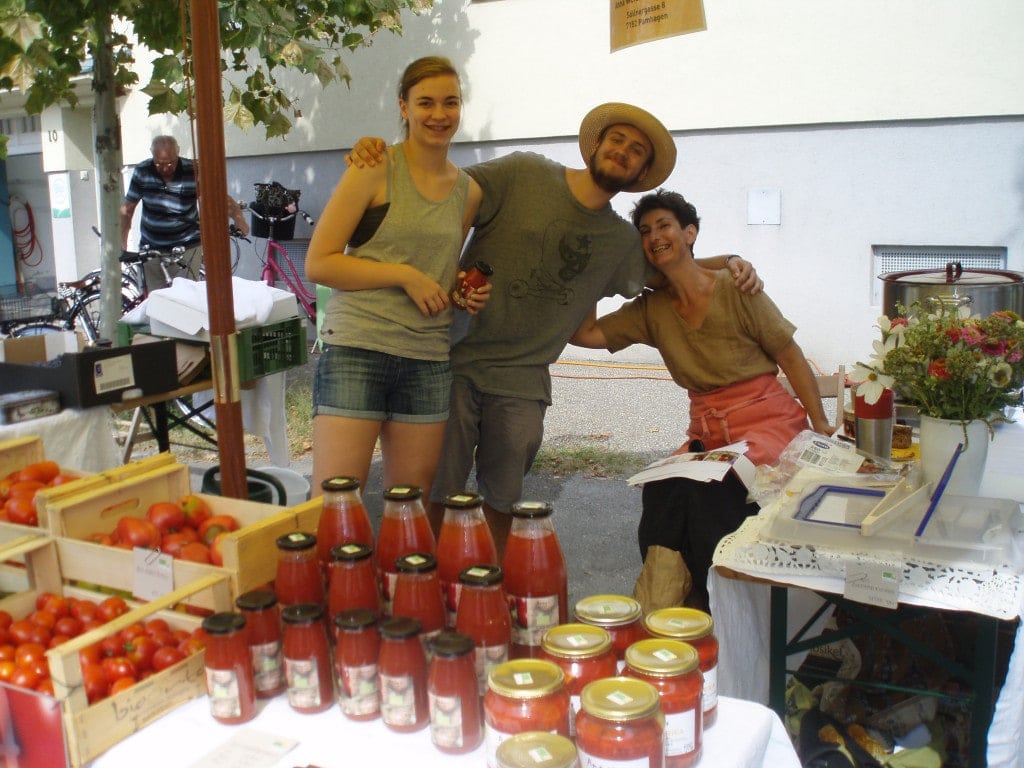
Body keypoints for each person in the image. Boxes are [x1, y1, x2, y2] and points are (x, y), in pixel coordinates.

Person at [348, 103, 761, 558]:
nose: (623, 151)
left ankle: (488, 593)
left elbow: (672, 266)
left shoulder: (620, 243)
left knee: (502, 502)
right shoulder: (525, 172)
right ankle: (419, 589)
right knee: (432, 493)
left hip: (523, 380)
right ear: (595, 146)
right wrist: (385, 156)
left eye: (637, 150)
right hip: (452, 356)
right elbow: (441, 187)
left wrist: (730, 261)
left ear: (641, 170)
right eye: (617, 140)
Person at [570, 190, 834, 610]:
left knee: (714, 493)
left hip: (766, 423)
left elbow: (789, 353)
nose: (654, 235)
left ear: (689, 232)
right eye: (645, 231)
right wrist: (594, 280)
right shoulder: (651, 309)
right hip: (708, 433)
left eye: (664, 226)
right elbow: (584, 335)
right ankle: (669, 607)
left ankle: (728, 611)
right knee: (662, 489)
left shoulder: (736, 287)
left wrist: (819, 423)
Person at [305, 56, 487, 501]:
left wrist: (463, 293)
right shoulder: (373, 166)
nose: (439, 115)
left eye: (451, 102)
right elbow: (320, 263)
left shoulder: (469, 191)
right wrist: (404, 276)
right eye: (425, 102)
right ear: (403, 107)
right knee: (336, 503)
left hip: (426, 359)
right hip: (358, 349)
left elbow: (439, 273)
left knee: (411, 508)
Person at [120, 135, 249, 290]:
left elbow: (217, 197)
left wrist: (238, 217)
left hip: (186, 247)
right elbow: (128, 210)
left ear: (178, 153)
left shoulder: (193, 170)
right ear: (151, 155)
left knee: (184, 300)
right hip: (151, 249)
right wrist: (122, 245)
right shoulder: (142, 171)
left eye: (171, 162)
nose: (166, 167)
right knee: (156, 303)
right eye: (159, 163)